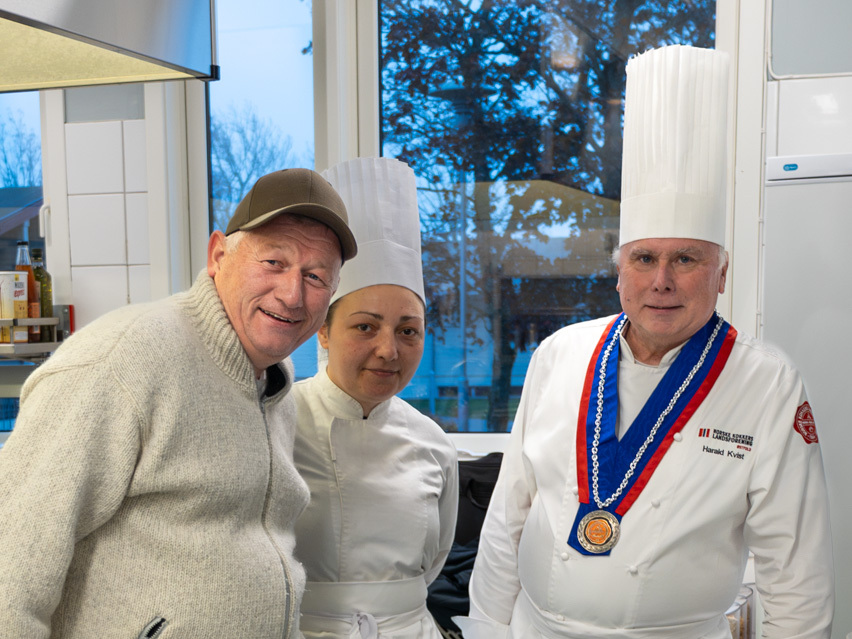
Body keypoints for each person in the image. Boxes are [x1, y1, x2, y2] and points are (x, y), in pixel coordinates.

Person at [454, 45, 834, 639]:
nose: (662, 280)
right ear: (618, 270)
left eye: (686, 258)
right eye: (644, 258)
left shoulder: (768, 383)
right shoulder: (561, 354)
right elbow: (508, 518)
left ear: (721, 274)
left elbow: (795, 571)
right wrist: (485, 631)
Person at [0, 168, 357, 639]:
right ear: (217, 256)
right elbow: (12, 565)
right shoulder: (120, 360)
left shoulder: (274, 387)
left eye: (315, 277)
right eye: (274, 262)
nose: (292, 294)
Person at [292, 157, 459, 638]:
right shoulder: (276, 424)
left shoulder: (432, 443)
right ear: (323, 331)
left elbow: (434, 561)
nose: (389, 350)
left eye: (409, 331)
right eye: (365, 326)